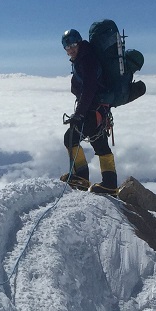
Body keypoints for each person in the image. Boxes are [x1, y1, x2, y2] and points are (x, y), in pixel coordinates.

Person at [60, 28, 118, 194]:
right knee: (97, 143)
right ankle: (108, 183)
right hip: (96, 108)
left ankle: (84, 178)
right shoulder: (84, 58)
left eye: (72, 45)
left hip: (93, 109)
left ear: (78, 43)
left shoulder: (87, 59)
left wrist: (79, 113)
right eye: (67, 47)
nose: (70, 49)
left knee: (72, 138)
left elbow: (89, 88)